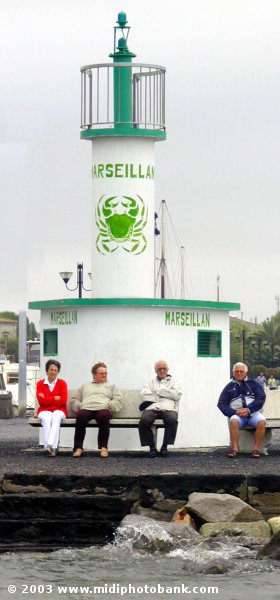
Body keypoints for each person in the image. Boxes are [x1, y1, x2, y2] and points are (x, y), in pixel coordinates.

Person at [72, 362, 122, 458]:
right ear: (94, 375)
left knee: (103, 416)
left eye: (105, 373)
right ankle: (78, 448)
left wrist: (109, 405)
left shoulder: (111, 386)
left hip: (103, 408)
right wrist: (80, 405)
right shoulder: (85, 385)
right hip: (87, 408)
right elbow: (74, 399)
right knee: (81, 416)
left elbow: (118, 399)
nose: (104, 375)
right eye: (101, 373)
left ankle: (103, 447)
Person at [217, 361, 266, 458]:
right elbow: (221, 403)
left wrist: (248, 409)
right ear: (233, 373)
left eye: (241, 371)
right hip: (237, 415)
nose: (239, 373)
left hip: (253, 413)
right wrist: (234, 412)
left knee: (262, 422)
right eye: (236, 371)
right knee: (234, 421)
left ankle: (256, 450)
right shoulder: (229, 387)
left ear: (245, 373)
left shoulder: (254, 384)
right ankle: (234, 449)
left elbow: (261, 398)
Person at [138, 360, 182, 457]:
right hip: (152, 407)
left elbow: (177, 395)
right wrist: (167, 394)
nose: (162, 371)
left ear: (167, 370)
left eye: (164, 369)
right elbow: (144, 395)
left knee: (172, 419)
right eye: (159, 369)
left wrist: (158, 391)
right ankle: (152, 448)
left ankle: (164, 447)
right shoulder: (150, 382)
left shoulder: (174, 382)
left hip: (168, 408)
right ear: (155, 371)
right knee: (144, 420)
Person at [36, 359, 68, 457]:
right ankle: (51, 448)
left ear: (58, 372)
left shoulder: (62, 383)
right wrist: (54, 398)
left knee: (56, 416)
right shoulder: (40, 384)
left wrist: (47, 398)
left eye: (55, 370)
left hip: (60, 410)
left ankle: (49, 445)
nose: (53, 372)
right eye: (51, 369)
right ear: (47, 371)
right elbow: (41, 401)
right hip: (44, 410)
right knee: (46, 417)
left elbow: (63, 400)